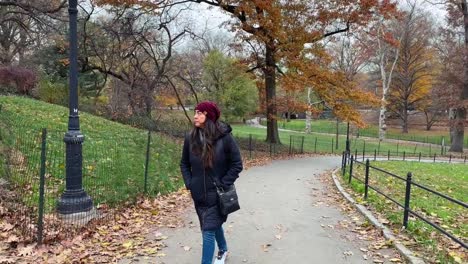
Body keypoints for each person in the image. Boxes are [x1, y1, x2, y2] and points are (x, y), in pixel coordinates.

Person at [180, 101, 243, 264]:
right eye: (195, 112)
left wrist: (223, 183)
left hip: (216, 194)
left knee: (207, 230)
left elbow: (237, 164)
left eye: (200, 113)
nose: (195, 116)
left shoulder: (225, 138)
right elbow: (184, 163)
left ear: (209, 116)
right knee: (211, 225)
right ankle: (223, 249)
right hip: (198, 194)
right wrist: (190, 183)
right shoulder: (190, 137)